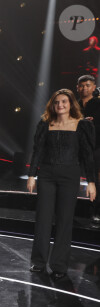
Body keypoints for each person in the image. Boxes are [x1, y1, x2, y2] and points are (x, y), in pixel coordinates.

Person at [27, 89, 96, 280]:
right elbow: (38, 152)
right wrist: (32, 175)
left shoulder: (82, 125)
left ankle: (59, 265)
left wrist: (91, 182)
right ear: (52, 104)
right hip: (47, 175)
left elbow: (88, 156)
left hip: (69, 176)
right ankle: (38, 262)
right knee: (43, 218)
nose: (60, 105)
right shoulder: (45, 124)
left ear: (71, 103)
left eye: (64, 102)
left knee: (65, 221)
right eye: (57, 102)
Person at [76, 74, 100, 223]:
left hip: (96, 146)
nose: (85, 88)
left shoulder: (98, 103)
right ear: (77, 88)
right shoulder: (73, 104)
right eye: (82, 85)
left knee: (96, 180)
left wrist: (88, 124)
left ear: (93, 87)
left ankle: (95, 211)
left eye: (88, 85)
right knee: (72, 178)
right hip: (76, 146)